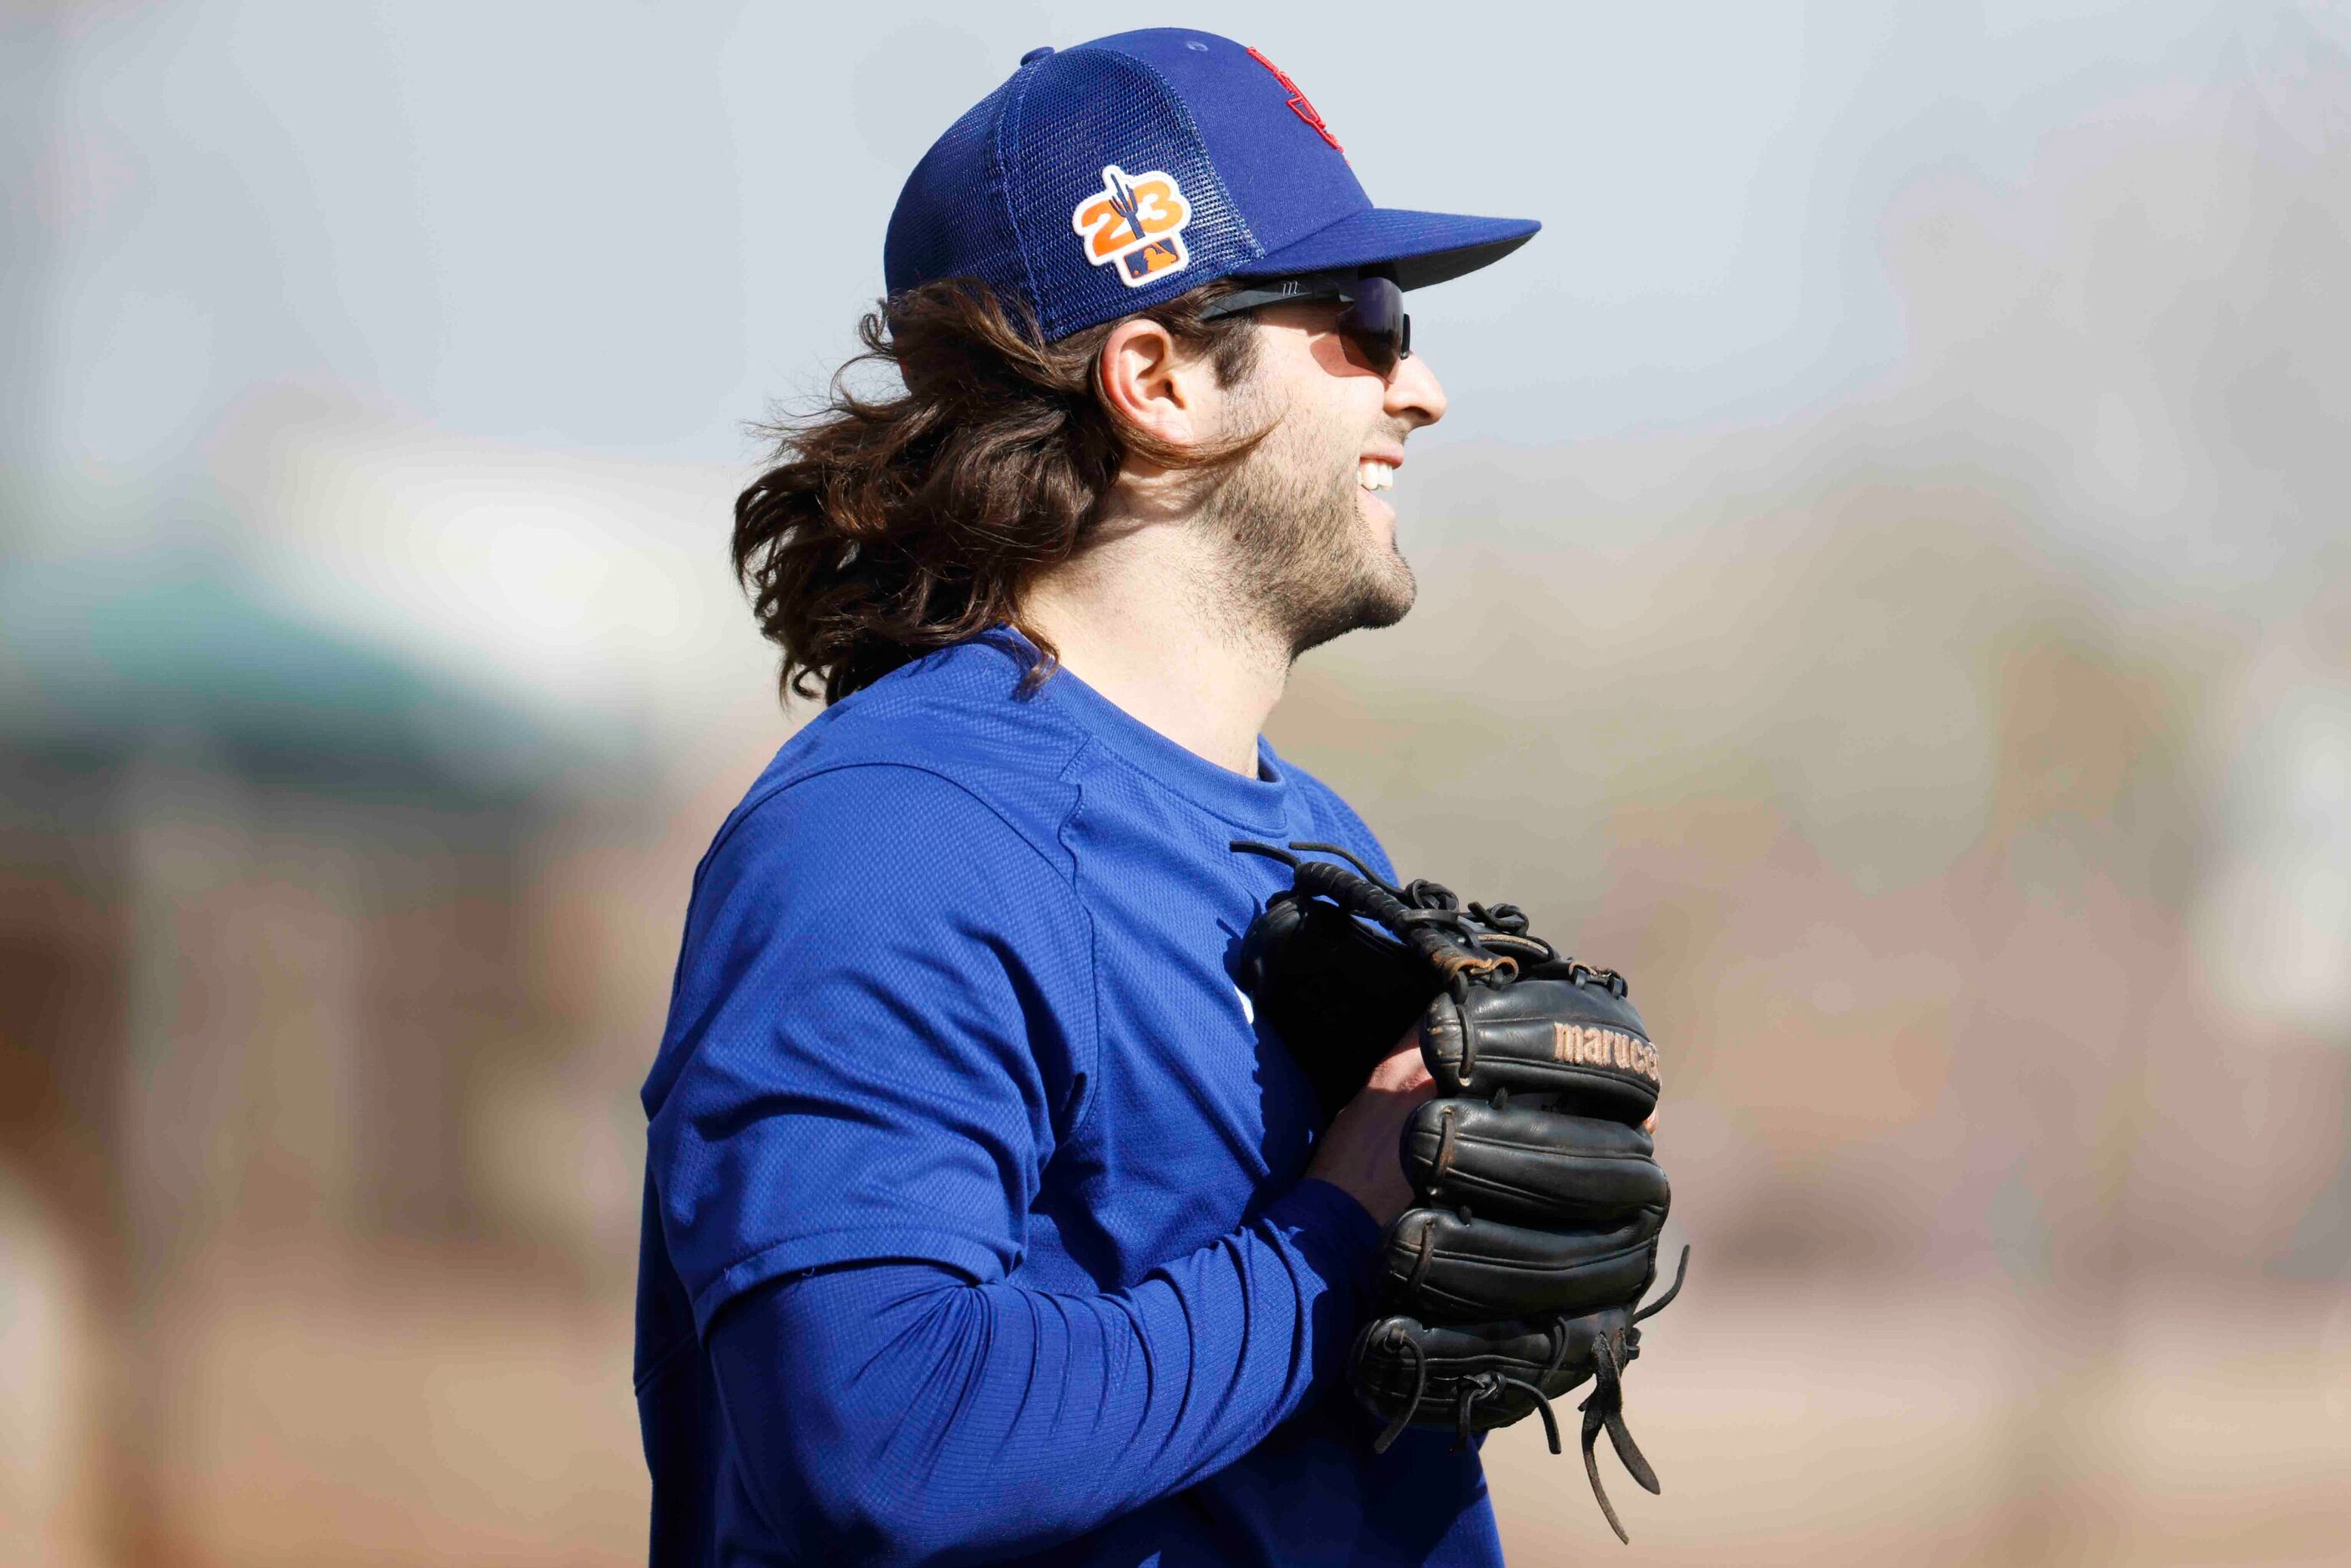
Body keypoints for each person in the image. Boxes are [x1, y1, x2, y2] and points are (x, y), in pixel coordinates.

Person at [635, 28, 1540, 1566]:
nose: (1424, 388)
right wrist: (1338, 1240)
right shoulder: (894, 839)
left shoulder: (1317, 839)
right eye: (1368, 322)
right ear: (1161, 378)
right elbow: (880, 1433)